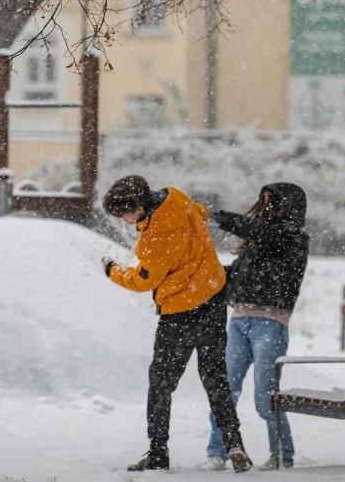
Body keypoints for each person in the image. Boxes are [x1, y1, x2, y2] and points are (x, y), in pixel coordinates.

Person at [100, 175, 253, 473]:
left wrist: (112, 270)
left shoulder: (156, 236)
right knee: (215, 378)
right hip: (212, 299)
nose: (125, 221)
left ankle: (158, 452)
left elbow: (143, 280)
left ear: (139, 207)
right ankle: (235, 446)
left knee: (161, 383)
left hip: (180, 312)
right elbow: (202, 212)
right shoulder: (176, 197)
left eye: (125, 214)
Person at [203, 182, 309, 472]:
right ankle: (217, 451)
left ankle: (282, 454)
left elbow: (261, 232)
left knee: (265, 398)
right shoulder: (257, 241)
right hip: (238, 321)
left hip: (270, 326)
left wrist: (217, 216)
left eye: (272, 202)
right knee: (226, 392)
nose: (266, 207)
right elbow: (232, 278)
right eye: (264, 201)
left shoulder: (292, 238)